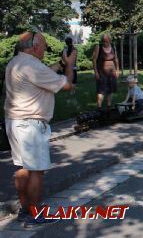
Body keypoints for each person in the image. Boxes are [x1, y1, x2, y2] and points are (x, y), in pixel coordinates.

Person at [5, 31, 76, 227]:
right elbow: (67, 85)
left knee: (22, 168)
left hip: (14, 121)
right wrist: (69, 65)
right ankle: (35, 214)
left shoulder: (17, 62)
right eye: (44, 45)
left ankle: (24, 210)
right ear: (35, 47)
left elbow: (44, 73)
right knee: (36, 171)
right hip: (31, 125)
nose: (45, 49)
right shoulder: (33, 66)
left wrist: (60, 65)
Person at [92, 33, 120, 114]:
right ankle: (99, 107)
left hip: (112, 71)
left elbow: (116, 59)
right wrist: (96, 72)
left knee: (110, 89)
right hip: (101, 71)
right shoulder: (98, 47)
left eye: (107, 41)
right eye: (104, 41)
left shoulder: (113, 47)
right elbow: (94, 60)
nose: (105, 43)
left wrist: (117, 70)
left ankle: (108, 106)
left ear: (110, 41)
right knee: (101, 90)